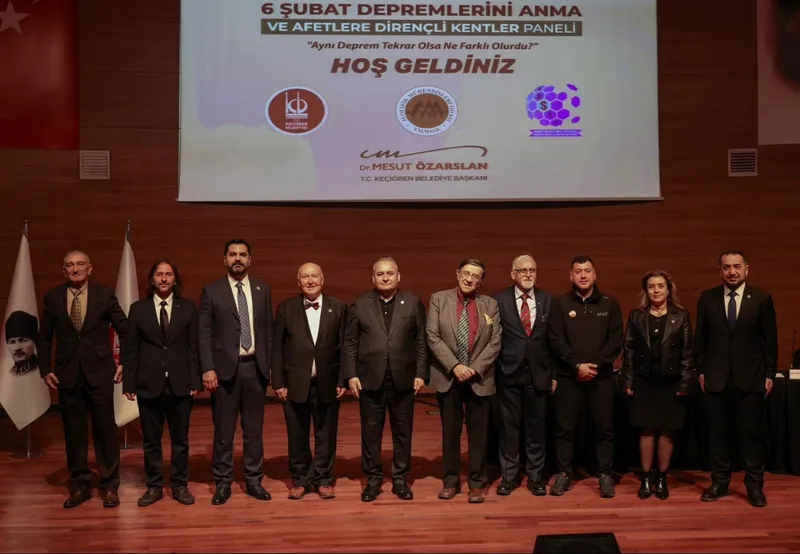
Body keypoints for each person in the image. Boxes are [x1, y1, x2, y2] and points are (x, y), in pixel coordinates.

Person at [37, 250, 127, 508]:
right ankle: (79, 485)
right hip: (67, 376)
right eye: (69, 265)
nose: (75, 269)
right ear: (63, 270)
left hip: (100, 374)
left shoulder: (104, 294)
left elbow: (126, 329)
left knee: (105, 431)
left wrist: (124, 362)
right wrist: (45, 368)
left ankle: (109, 485)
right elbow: (44, 337)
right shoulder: (53, 297)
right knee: (74, 432)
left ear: (90, 268)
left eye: (80, 264)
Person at [694, 250, 777, 508]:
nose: (732, 272)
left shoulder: (761, 298)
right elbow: (701, 339)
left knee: (751, 437)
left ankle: (754, 486)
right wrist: (700, 370)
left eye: (737, 266)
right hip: (716, 378)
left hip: (751, 379)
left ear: (746, 269)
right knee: (718, 436)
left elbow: (770, 340)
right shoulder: (707, 298)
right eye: (727, 267)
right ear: (720, 270)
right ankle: (719, 482)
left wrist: (769, 374)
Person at [344, 257, 428, 502]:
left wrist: (421, 373)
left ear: (398, 276)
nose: (385, 277)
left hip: (404, 380)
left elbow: (421, 341)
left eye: (390, 273)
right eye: (380, 274)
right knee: (371, 434)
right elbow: (350, 342)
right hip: (370, 380)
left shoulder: (412, 302)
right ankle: (373, 480)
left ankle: (400, 479)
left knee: (403, 433)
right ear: (373, 278)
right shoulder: (360, 303)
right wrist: (351, 374)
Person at [199, 239, 274, 505]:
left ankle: (254, 480)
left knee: (254, 431)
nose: (238, 259)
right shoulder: (212, 291)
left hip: (255, 368)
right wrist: (207, 368)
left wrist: (270, 365)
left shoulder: (262, 289)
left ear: (250, 260)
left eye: (243, 255)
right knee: (224, 431)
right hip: (224, 372)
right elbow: (204, 332)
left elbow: (268, 331)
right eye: (233, 255)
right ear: (225, 259)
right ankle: (223, 483)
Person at [123, 259, 200, 507]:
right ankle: (154, 486)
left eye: (168, 274)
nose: (164, 278)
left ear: (175, 280)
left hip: (180, 383)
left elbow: (194, 347)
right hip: (148, 383)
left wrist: (195, 379)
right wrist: (129, 383)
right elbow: (131, 349)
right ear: (152, 280)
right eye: (159, 274)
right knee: (151, 441)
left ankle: (179, 485)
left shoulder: (188, 308)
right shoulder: (138, 309)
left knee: (180, 440)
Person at [547, 255, 623, 498]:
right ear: (571, 276)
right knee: (565, 429)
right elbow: (556, 340)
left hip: (602, 378)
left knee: (604, 429)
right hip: (569, 377)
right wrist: (577, 365)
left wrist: (596, 365)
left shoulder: (610, 304)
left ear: (594, 274)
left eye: (587, 270)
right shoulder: (559, 304)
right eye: (578, 271)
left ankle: (605, 475)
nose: (583, 275)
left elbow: (615, 341)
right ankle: (564, 474)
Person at [427, 259, 501, 503]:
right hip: (448, 376)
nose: (469, 279)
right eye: (466, 273)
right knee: (450, 433)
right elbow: (432, 336)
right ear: (458, 274)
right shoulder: (439, 299)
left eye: (475, 276)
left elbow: (495, 342)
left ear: (481, 281)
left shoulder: (490, 304)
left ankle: (477, 483)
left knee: (479, 435)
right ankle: (450, 481)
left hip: (479, 378)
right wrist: (455, 366)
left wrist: (474, 369)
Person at [272, 262, 347, 500]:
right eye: (305, 277)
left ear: (322, 280)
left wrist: (342, 380)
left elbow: (344, 348)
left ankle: (323, 479)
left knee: (326, 434)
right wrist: (278, 382)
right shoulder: (285, 308)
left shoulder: (339, 307)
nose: (310, 280)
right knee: (297, 435)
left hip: (328, 383)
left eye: (314, 276)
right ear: (298, 282)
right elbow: (277, 348)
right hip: (294, 383)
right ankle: (301, 479)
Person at [621, 270, 694, 500]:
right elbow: (629, 350)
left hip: (670, 381)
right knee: (646, 429)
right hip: (644, 380)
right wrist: (628, 380)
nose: (656, 290)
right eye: (652, 286)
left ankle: (661, 478)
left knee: (666, 430)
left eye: (660, 286)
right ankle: (645, 478)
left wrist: (685, 382)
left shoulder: (681, 316)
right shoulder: (637, 316)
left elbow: (687, 352)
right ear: (646, 290)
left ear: (668, 289)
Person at [492, 254, 555, 497]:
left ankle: (536, 476)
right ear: (513, 274)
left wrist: (554, 374)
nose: (528, 274)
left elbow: (554, 340)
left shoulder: (548, 299)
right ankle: (509, 477)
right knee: (509, 429)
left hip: (539, 374)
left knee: (536, 429)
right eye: (523, 270)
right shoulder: (498, 300)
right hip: (509, 373)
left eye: (532, 270)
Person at [6, 310, 39, 376]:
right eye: (12, 342)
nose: (17, 348)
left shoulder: (41, 371)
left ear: (35, 342)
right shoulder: (8, 374)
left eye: (23, 340)